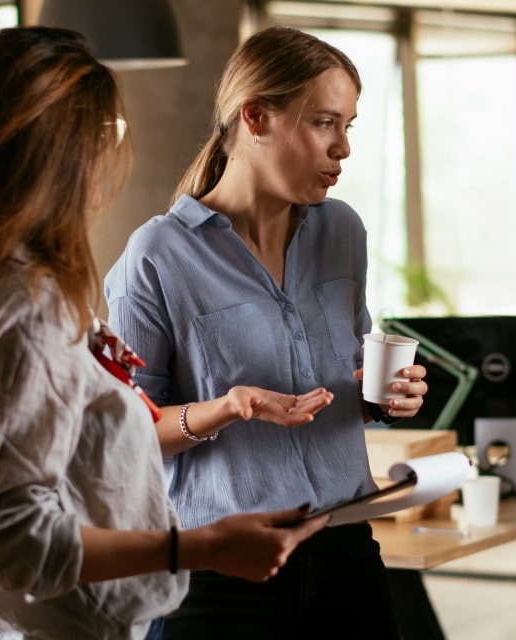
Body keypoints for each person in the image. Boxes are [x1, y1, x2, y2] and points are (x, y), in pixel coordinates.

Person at [0, 27, 327, 640]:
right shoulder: (24, 309)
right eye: (106, 135)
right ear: (58, 150)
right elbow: (16, 541)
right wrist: (199, 547)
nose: (109, 155)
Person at [103, 26, 428, 639]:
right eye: (324, 123)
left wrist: (385, 397)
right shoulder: (158, 256)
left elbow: (346, 380)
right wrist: (225, 409)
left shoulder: (343, 234)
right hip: (221, 573)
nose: (343, 149)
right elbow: (124, 437)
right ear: (256, 117)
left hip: (346, 554)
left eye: (349, 126)